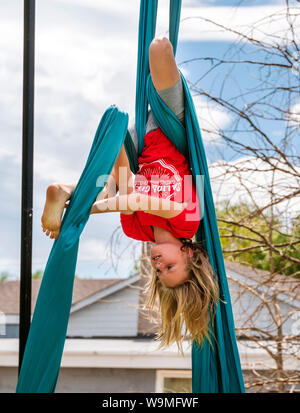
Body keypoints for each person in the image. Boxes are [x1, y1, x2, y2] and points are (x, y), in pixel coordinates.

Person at [41, 38, 218, 348]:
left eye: (158, 271)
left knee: (111, 187)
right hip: (169, 127)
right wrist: (89, 211)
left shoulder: (137, 231)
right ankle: (76, 187)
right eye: (170, 267)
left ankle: (65, 190)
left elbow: (126, 182)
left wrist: (118, 145)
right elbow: (138, 199)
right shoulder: (189, 221)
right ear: (190, 253)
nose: (158, 263)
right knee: (159, 49)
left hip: (137, 147)